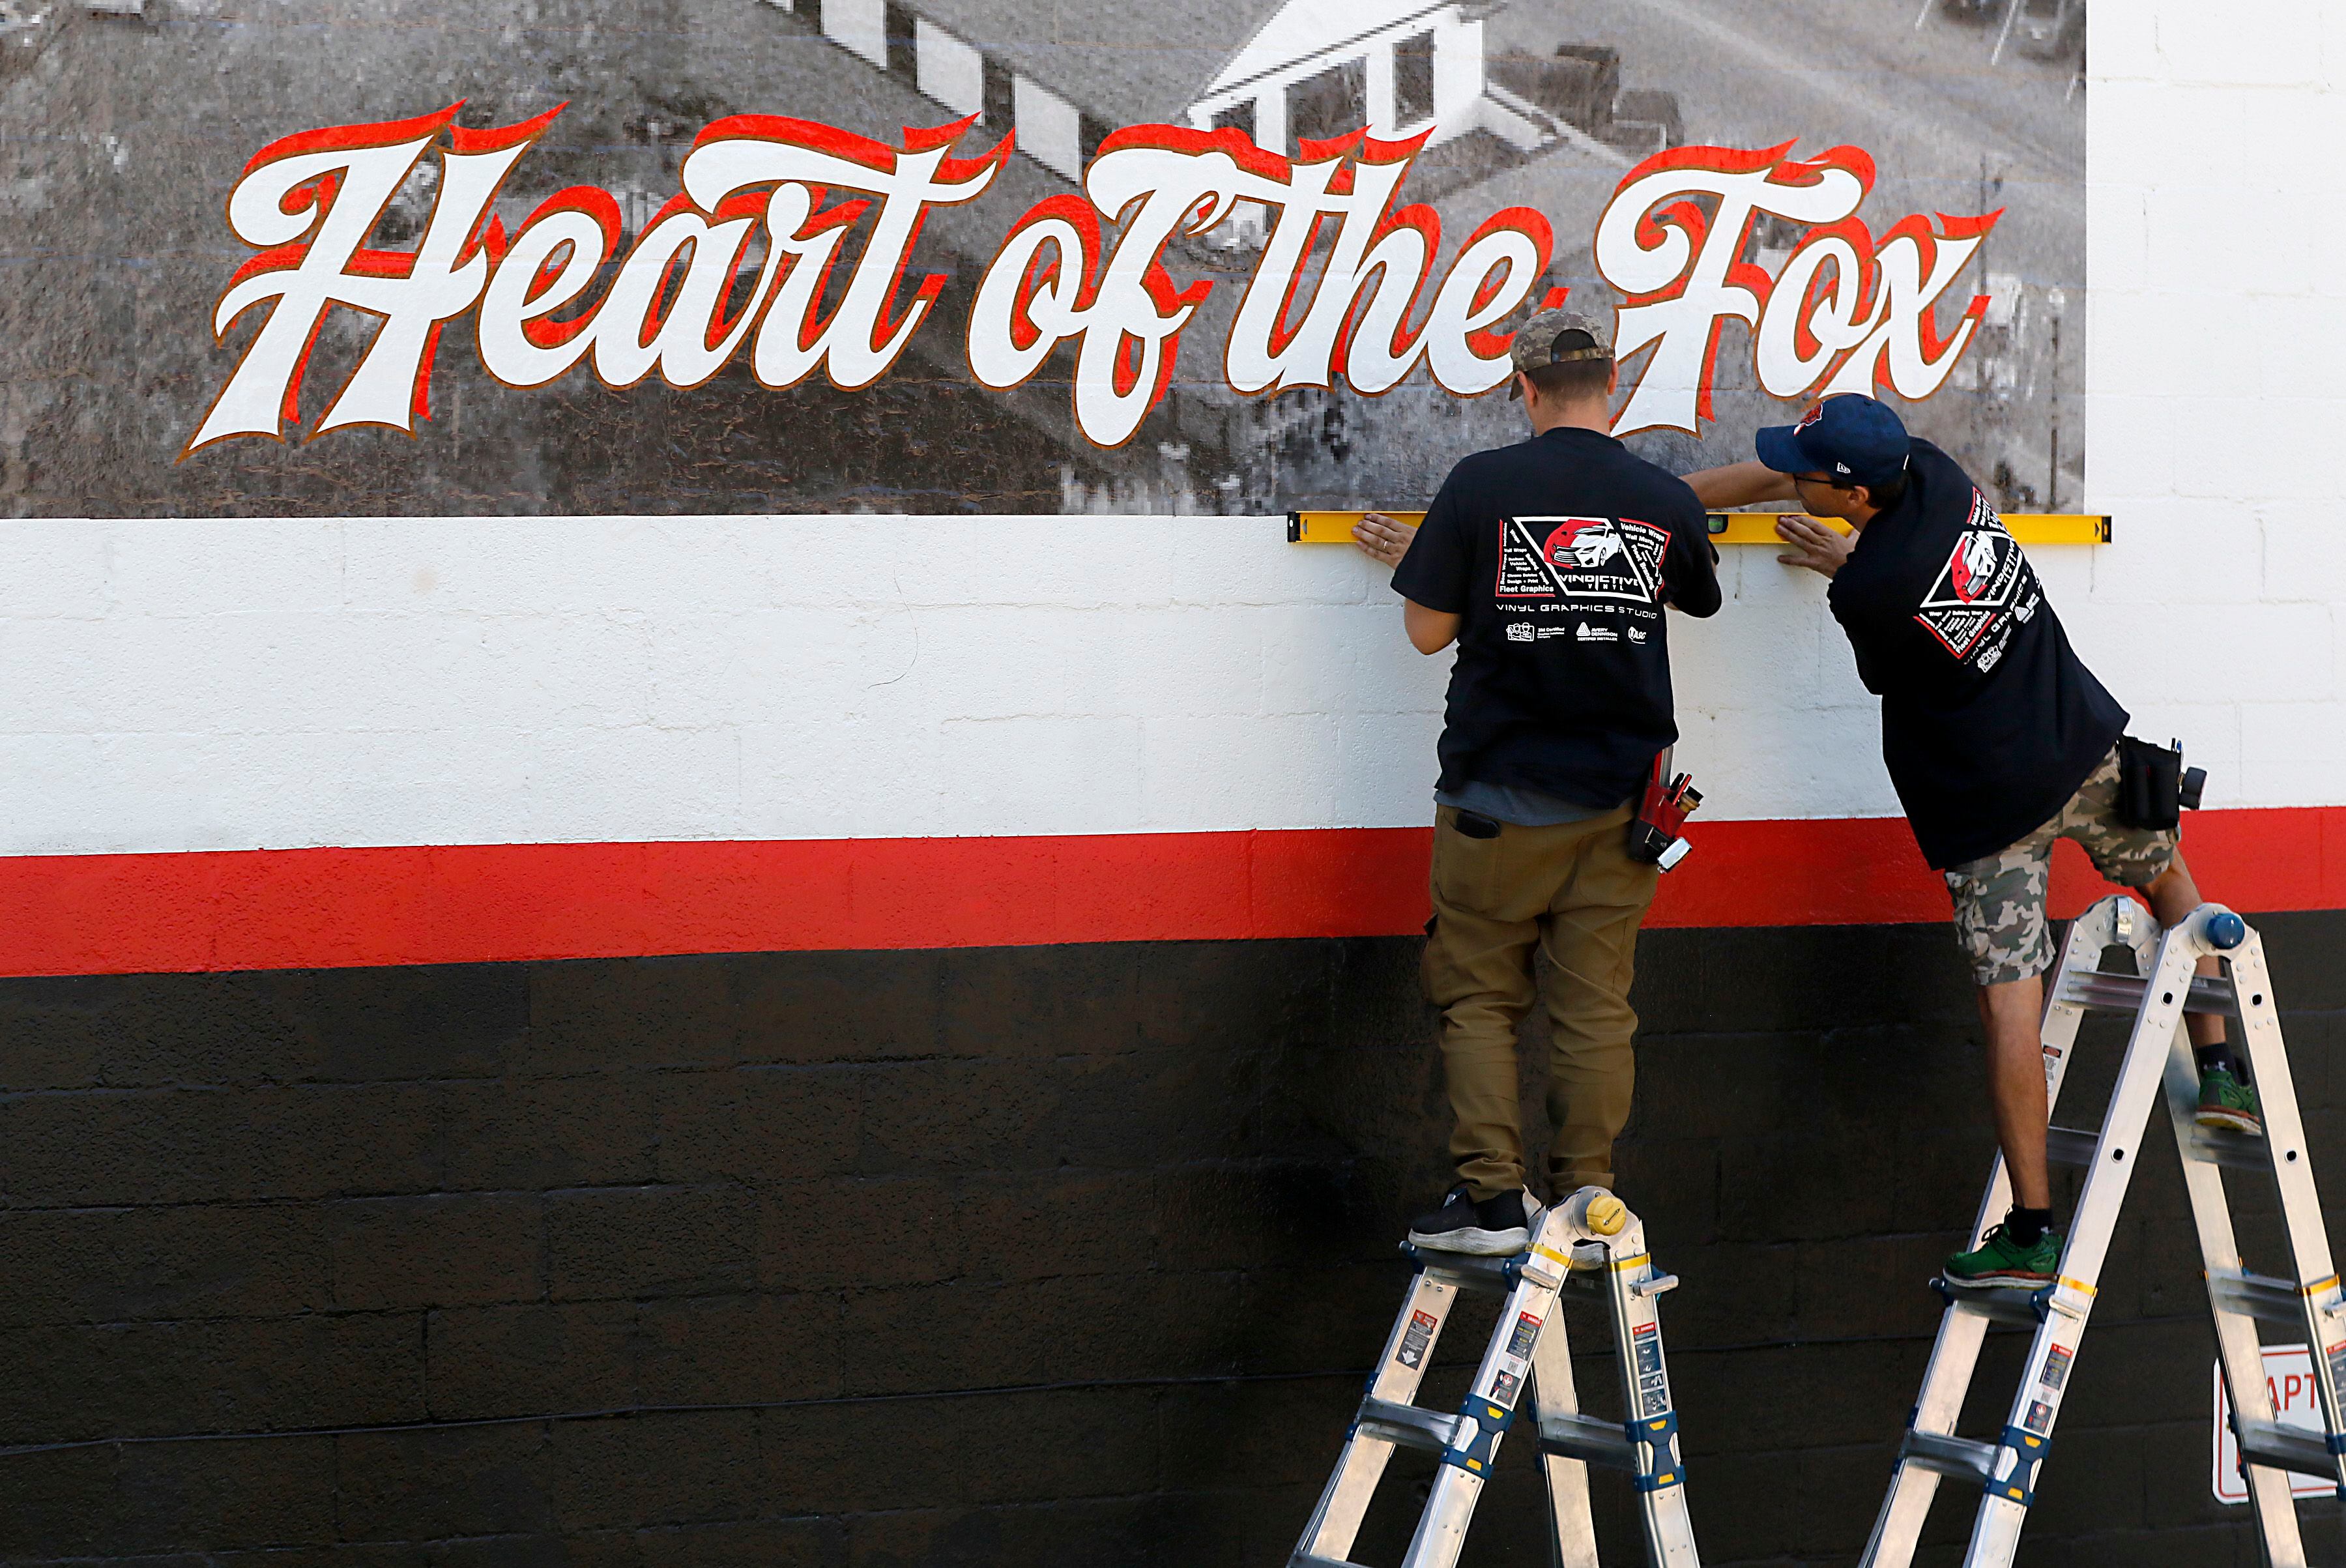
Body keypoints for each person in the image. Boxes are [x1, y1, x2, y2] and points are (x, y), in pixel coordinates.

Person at [1684, 394, 2259, 1290]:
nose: (1791, 476)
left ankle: (2031, 1232)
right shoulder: (1938, 476)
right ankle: (2221, 1065)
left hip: (1990, 808)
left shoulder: (1870, 592)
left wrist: (1847, 569)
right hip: (2075, 746)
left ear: (1851, 494)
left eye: (1809, 471)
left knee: (2010, 1013)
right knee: (2173, 874)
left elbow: (1890, 648)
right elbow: (1859, 519)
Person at [1350, 308, 1722, 1255]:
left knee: (1479, 996)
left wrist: (1476, 580)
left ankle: (1488, 1203)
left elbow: (1427, 632)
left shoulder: (1481, 486)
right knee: (1596, 1006)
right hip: (1621, 809)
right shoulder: (1657, 496)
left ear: (1523, 388)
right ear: (1613, 389)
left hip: (1494, 802)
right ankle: (1589, 1202)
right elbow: (1694, 593)